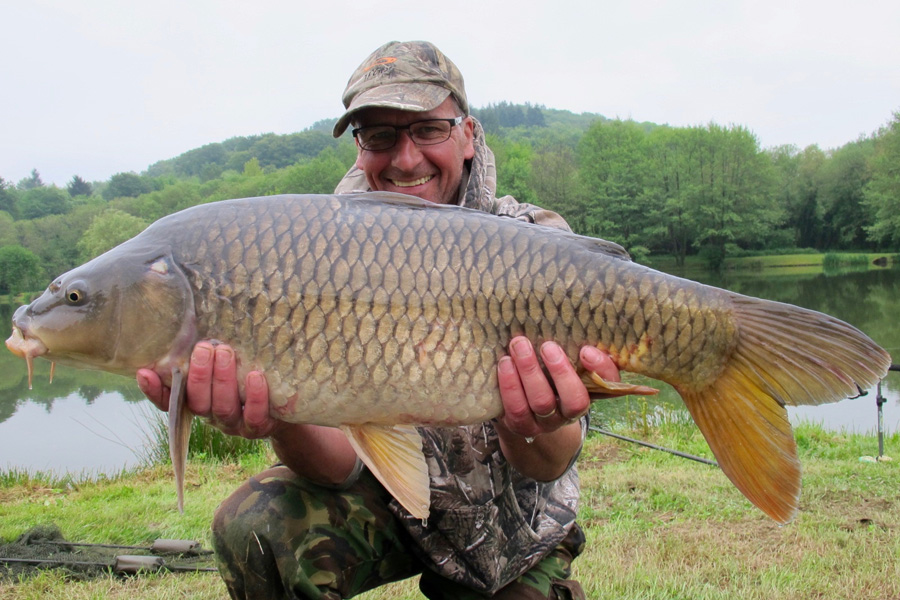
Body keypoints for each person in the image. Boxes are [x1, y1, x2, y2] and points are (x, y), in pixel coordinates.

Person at [138, 40, 622, 600]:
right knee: (254, 524)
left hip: (515, 535)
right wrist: (279, 418)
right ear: (360, 147)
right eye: (380, 136)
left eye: (428, 130)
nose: (406, 159)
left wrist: (528, 418)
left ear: (467, 134)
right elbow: (340, 467)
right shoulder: (319, 252)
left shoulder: (534, 241)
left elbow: (550, 461)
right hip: (395, 509)